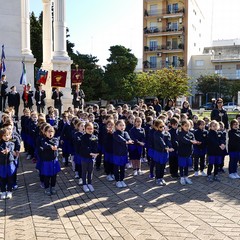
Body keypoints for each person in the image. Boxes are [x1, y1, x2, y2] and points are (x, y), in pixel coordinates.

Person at [40, 125, 60, 195]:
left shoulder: (55, 139)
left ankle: (53, 186)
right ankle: (47, 187)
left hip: (54, 161)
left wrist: (54, 146)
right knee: (47, 175)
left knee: (54, 175)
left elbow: (56, 144)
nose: (50, 133)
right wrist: (51, 146)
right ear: (45, 133)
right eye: (48, 131)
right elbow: (45, 145)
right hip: (46, 161)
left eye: (52, 131)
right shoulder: (43, 140)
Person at [113, 120, 133, 188]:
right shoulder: (115, 133)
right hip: (117, 154)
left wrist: (129, 140)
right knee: (116, 167)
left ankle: (121, 179)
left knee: (122, 168)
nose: (122, 127)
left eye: (123, 125)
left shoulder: (126, 132)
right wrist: (126, 141)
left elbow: (128, 138)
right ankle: (117, 180)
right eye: (120, 125)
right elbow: (120, 139)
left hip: (124, 153)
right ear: (116, 126)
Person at [153, 119, 174, 186]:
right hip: (159, 152)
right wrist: (166, 147)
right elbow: (161, 141)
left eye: (163, 126)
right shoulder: (156, 134)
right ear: (156, 127)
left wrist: (170, 147)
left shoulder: (166, 133)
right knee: (158, 166)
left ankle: (161, 177)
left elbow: (168, 141)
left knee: (163, 166)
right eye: (160, 127)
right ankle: (157, 178)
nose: (162, 128)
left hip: (165, 152)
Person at [178, 120, 199, 185]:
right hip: (182, 153)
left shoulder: (191, 134)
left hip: (189, 153)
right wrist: (191, 141)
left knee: (187, 165)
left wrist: (196, 142)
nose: (187, 127)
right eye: (185, 126)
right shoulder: (180, 134)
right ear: (182, 126)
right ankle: (181, 177)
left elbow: (193, 140)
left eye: (188, 126)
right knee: (182, 165)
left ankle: (186, 177)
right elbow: (184, 140)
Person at [79, 122, 98, 193]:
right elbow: (84, 147)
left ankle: (89, 183)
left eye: (91, 128)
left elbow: (96, 146)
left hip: (92, 157)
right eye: (88, 128)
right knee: (84, 171)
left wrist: (95, 153)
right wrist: (90, 152)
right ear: (85, 129)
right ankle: (84, 184)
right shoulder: (83, 137)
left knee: (90, 171)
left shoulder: (94, 137)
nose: (90, 130)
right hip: (85, 156)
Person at [0, 128, 15, 199]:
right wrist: (2, 151)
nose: (6, 137)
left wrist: (7, 150)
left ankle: (9, 191)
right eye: (4, 135)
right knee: (2, 178)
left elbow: (11, 148)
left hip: (10, 163)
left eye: (7, 135)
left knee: (10, 177)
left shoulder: (11, 143)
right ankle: (3, 191)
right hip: (2, 164)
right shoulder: (0, 144)